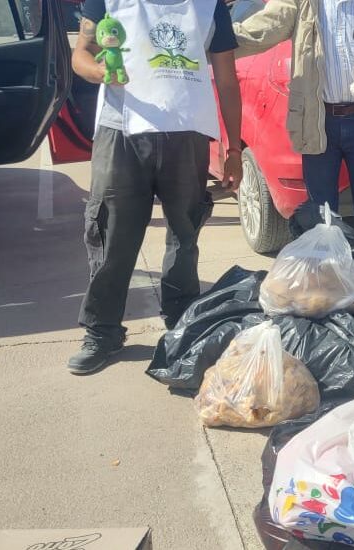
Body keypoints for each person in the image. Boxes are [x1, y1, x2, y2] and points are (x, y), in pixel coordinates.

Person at [67, 0, 243, 374]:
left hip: (187, 133)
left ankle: (181, 320)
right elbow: (81, 54)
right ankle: (102, 331)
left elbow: (227, 78)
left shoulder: (210, 6)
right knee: (111, 232)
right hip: (122, 131)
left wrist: (234, 149)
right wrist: (100, 71)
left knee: (185, 232)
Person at [232, 0, 354, 247]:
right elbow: (261, 30)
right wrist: (210, 40)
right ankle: (330, 280)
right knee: (322, 216)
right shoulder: (301, 3)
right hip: (318, 123)